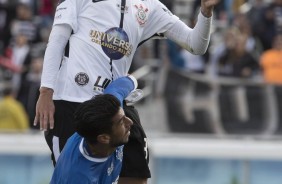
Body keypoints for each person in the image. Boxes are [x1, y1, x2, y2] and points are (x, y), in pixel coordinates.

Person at [34, 0, 219, 183]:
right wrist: (46, 91)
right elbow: (57, 38)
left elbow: (195, 44)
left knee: (136, 175)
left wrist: (205, 12)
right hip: (71, 102)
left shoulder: (150, 6)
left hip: (117, 107)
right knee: (74, 176)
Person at [51, 76, 136, 183]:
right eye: (122, 122)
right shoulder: (79, 177)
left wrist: (132, 80)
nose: (130, 122)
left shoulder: (109, 116)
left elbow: (120, 86)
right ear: (104, 138)